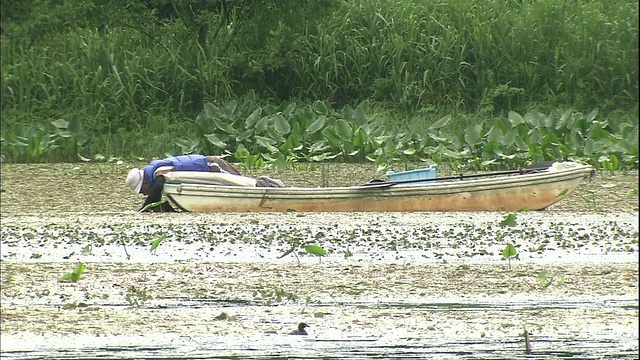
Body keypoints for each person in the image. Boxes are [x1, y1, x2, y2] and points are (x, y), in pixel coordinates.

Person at [126, 154, 284, 212]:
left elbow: (160, 182)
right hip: (207, 175)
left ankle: (268, 184)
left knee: (242, 184)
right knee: (239, 186)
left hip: (212, 166)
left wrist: (144, 208)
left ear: (145, 182)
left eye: (143, 190)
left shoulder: (156, 172)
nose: (144, 193)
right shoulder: (153, 172)